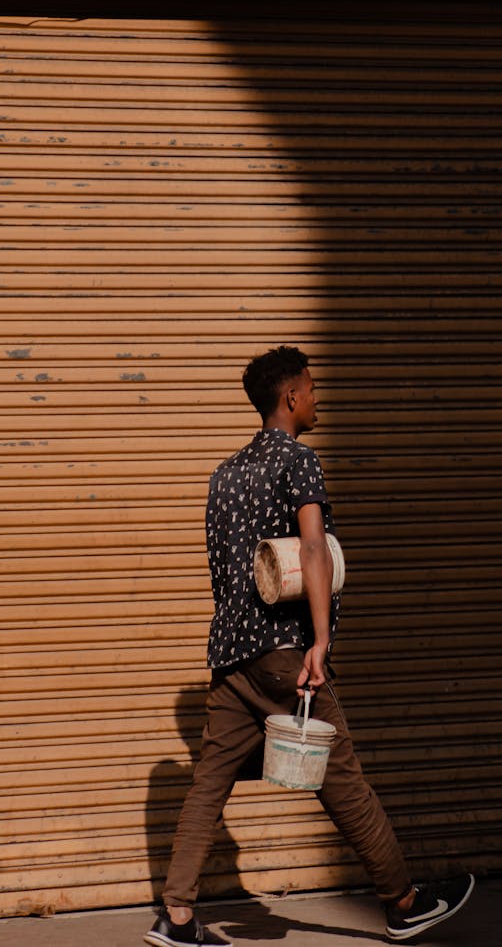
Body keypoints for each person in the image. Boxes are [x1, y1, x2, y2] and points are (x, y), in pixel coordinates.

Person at [145, 346, 474, 947]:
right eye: (313, 390)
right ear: (291, 397)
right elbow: (314, 550)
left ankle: (178, 916)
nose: (318, 400)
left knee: (209, 782)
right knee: (344, 779)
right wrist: (320, 641)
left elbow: (227, 570)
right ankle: (403, 903)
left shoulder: (225, 473)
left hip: (231, 655)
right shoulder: (299, 460)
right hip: (283, 654)